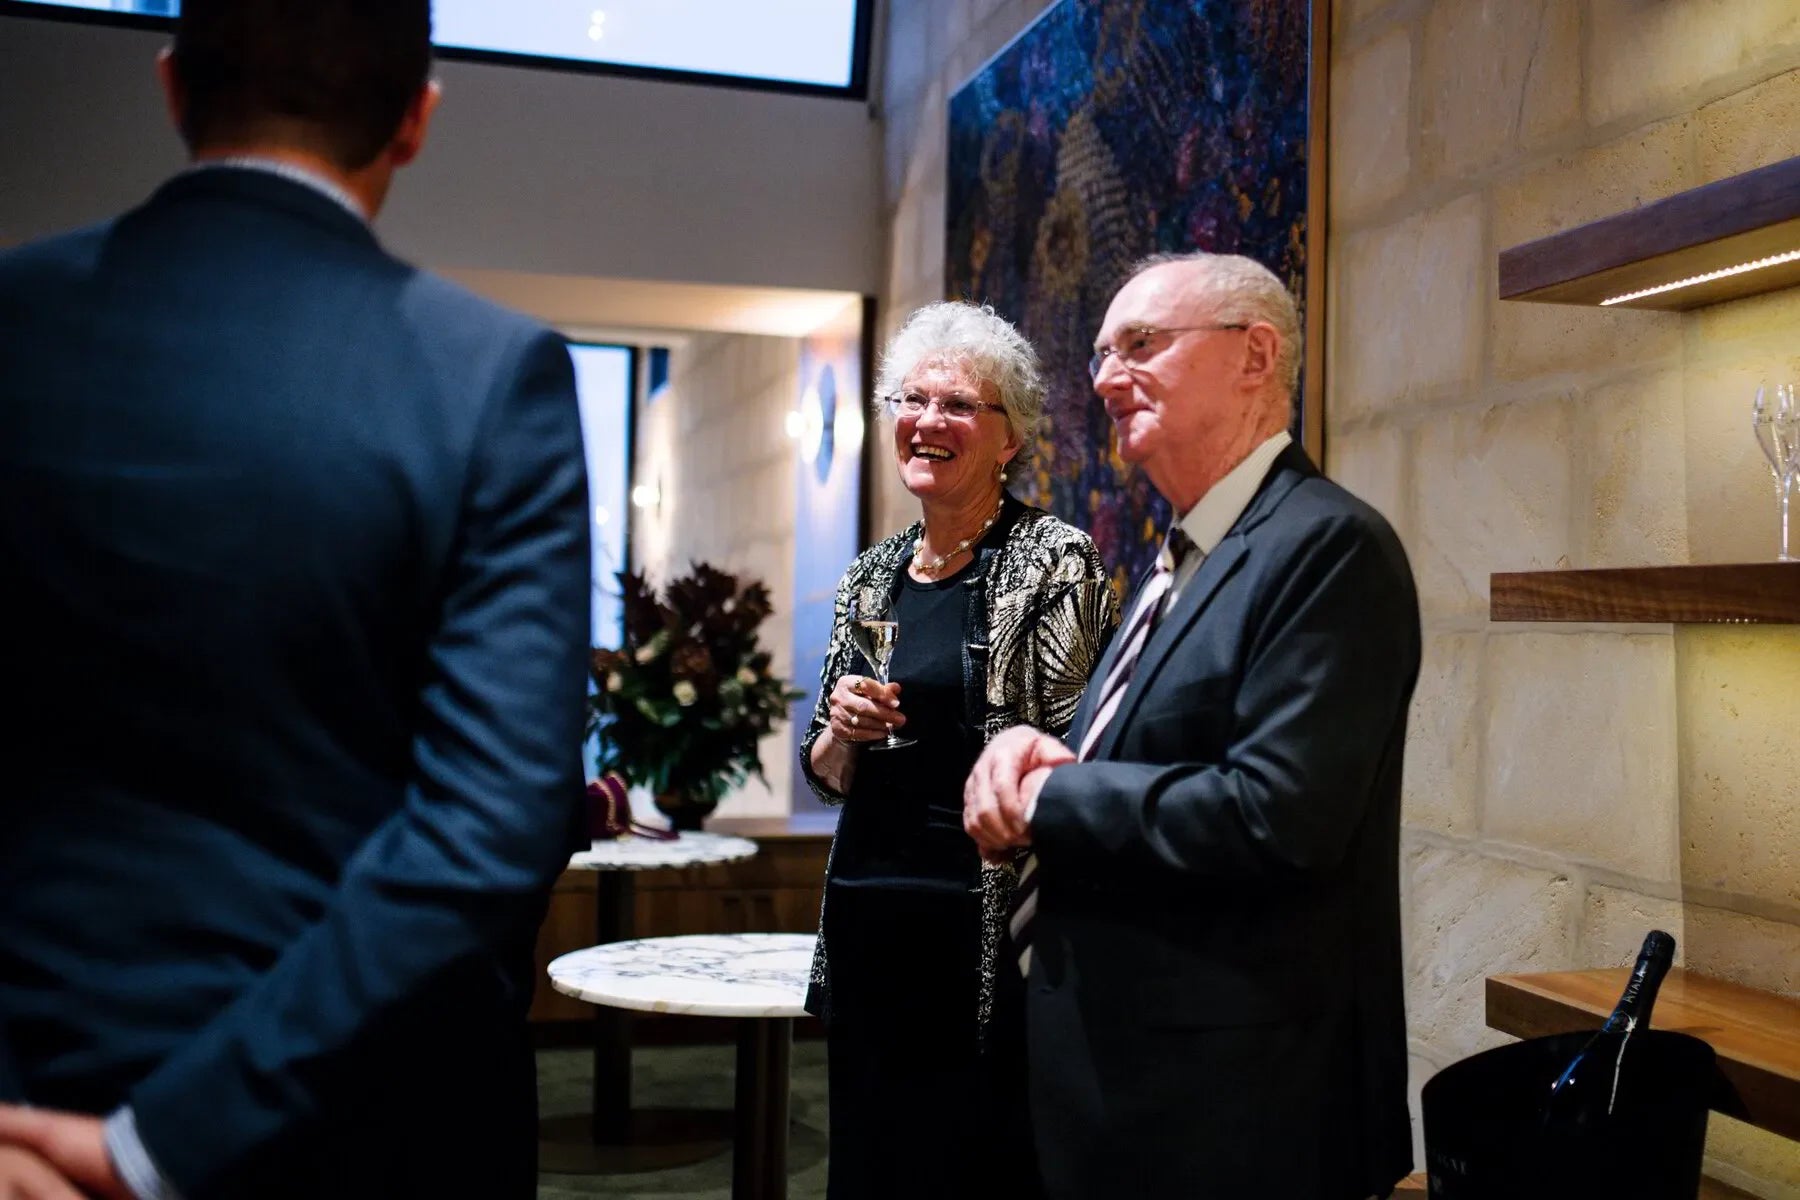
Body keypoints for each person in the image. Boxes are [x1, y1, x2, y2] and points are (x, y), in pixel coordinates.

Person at [0, 3, 591, 1197]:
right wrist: (154, 1146)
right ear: (416, 122)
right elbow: (489, 824)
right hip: (347, 1114)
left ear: (171, 89)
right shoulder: (483, 375)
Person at [965, 252, 1420, 1200]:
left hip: (1238, 1108)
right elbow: (1144, 756)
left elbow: (1279, 814)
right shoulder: (1182, 557)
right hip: (1129, 1081)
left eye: (1141, 344)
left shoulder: (1329, 547)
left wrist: (1054, 794)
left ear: (1255, 356)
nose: (1102, 377)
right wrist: (1039, 751)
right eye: (1099, 353)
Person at [800, 302, 1118, 1200]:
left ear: (1009, 438)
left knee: (974, 1160)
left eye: (957, 405)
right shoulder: (871, 572)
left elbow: (1079, 755)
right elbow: (825, 777)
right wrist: (840, 730)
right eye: (913, 399)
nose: (927, 421)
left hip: (983, 923)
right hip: (869, 911)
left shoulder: (1054, 561)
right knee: (872, 1157)